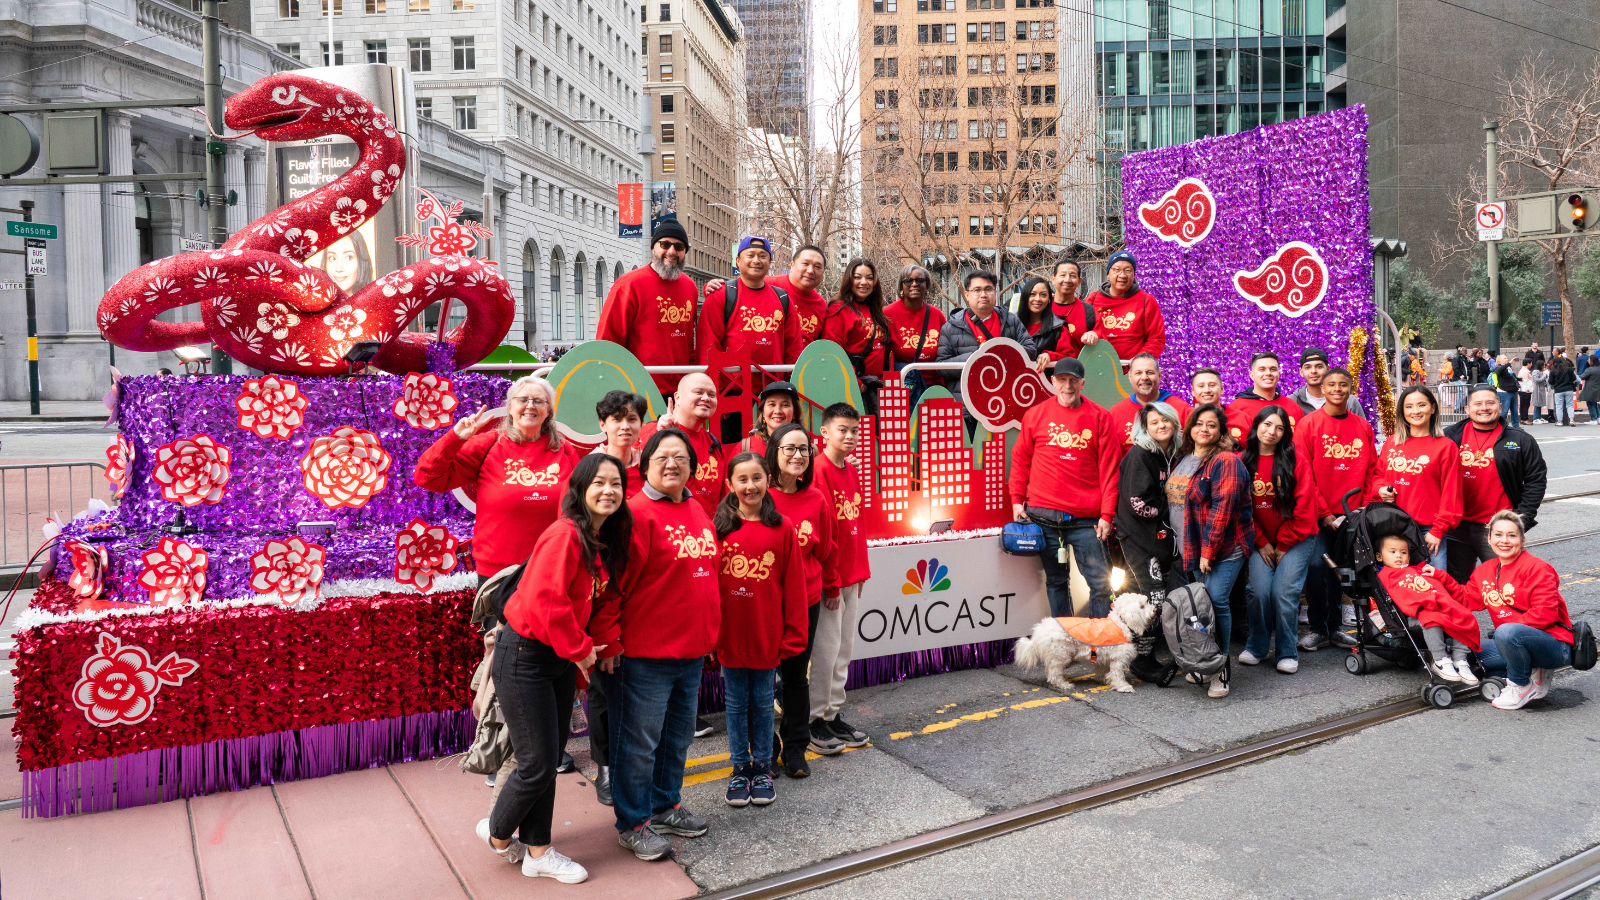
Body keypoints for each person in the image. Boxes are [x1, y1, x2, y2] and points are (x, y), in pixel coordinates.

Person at [479, 453, 630, 884]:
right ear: (579, 490)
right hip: (526, 654)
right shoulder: (564, 535)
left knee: (546, 759)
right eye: (598, 482)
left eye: (616, 484)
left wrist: (606, 645)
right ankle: (496, 833)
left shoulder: (603, 541)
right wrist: (582, 648)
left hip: (559, 659)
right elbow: (548, 601)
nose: (608, 491)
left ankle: (539, 851)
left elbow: (603, 601)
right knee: (538, 763)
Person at [596, 429, 722, 860]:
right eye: (663, 457)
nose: (673, 464)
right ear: (645, 464)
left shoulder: (697, 508)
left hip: (690, 651)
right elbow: (611, 587)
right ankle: (633, 822)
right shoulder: (634, 515)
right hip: (644, 654)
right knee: (638, 743)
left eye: (681, 458)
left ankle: (665, 805)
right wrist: (609, 641)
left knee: (677, 737)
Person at [415, 375, 578, 586]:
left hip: (552, 567)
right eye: (522, 400)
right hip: (498, 573)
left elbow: (580, 507)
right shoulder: (487, 445)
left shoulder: (565, 450)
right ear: (510, 408)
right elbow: (427, 477)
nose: (530, 406)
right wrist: (456, 437)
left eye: (538, 401)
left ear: (548, 411)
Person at [712, 452, 808, 808]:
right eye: (742, 479)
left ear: (768, 480)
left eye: (757, 478)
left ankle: (763, 767)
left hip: (767, 631)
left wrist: (794, 633)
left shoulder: (782, 528)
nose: (750, 486)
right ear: (730, 484)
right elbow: (706, 586)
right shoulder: (718, 528)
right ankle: (740, 767)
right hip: (730, 633)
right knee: (735, 703)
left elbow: (795, 587)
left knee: (764, 703)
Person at [1009, 356, 1119, 619]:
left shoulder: (1100, 417)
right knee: (1056, 582)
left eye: (1073, 381)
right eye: (1062, 380)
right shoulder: (1035, 415)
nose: (1067, 386)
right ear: (1052, 381)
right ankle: (1065, 640)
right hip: (1042, 516)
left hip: (1086, 521)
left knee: (1101, 585)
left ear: (1082, 383)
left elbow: (1110, 470)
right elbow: (1020, 459)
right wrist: (1016, 499)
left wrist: (1107, 515)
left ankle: (1097, 647)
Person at [764, 422, 839, 774]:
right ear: (774, 452)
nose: (798, 455)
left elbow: (826, 548)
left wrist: (833, 585)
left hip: (804, 600)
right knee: (763, 679)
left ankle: (794, 748)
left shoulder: (816, 499)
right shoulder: (757, 495)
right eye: (789, 448)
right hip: (762, 602)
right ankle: (766, 747)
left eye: (804, 449)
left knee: (795, 677)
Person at [1171, 403, 1251, 698]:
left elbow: (1223, 508)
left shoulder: (1225, 460)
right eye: (1198, 423)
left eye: (1211, 425)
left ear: (1221, 432)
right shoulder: (1186, 458)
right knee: (1198, 606)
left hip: (1224, 546)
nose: (1203, 429)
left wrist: (1208, 551)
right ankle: (1204, 661)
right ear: (1190, 428)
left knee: (1216, 602)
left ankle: (1220, 669)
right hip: (1191, 545)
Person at [1294, 367, 1372, 651]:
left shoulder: (1362, 426)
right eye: (1332, 385)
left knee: (1343, 570)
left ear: (1350, 389)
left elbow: (1372, 470)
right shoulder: (1308, 425)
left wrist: (1363, 508)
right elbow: (1303, 474)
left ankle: (1335, 628)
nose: (1337, 389)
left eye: (1343, 385)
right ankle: (1317, 628)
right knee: (1316, 567)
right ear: (1322, 389)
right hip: (1318, 515)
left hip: (1353, 515)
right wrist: (1324, 513)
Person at [809, 403, 872, 752]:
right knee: (826, 650)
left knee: (844, 649)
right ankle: (814, 718)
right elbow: (825, 532)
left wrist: (860, 569)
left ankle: (832, 713)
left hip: (851, 574)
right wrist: (831, 580)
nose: (849, 436)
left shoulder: (850, 469)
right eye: (842, 430)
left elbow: (855, 524)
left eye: (853, 430)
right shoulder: (819, 470)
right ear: (824, 432)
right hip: (830, 579)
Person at [1240, 406, 1319, 674]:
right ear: (1256, 426)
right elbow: (1240, 509)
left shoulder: (1296, 460)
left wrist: (1284, 543)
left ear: (1286, 433)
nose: (1271, 432)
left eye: (1279, 427)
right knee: (1259, 592)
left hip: (1296, 538)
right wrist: (1261, 542)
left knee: (1284, 592)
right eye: (1266, 424)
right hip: (1259, 540)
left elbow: (1306, 508)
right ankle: (1257, 646)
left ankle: (1287, 651)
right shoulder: (1242, 461)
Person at [1443, 385, 1547, 583]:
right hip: (1456, 528)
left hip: (1499, 529)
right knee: (1456, 589)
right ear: (1467, 409)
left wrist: (1521, 520)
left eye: (1490, 403)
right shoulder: (1450, 437)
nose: (1484, 408)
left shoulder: (1520, 440)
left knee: (1508, 587)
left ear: (1500, 407)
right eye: (1478, 404)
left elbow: (1536, 480)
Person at [1471, 511, 1574, 710]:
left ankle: (1520, 684)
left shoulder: (1537, 568)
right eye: (1498, 535)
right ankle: (1532, 670)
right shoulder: (1485, 570)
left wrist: (1508, 632)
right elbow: (1466, 598)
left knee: (1507, 632)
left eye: (1512, 535)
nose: (1504, 541)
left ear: (1522, 539)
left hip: (1554, 645)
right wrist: (1437, 580)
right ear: (1489, 538)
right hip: (1514, 641)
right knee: (1471, 655)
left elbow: (1546, 613)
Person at [1115, 401, 1186, 682]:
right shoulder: (1140, 454)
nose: (1161, 426)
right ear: (1145, 427)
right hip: (1139, 541)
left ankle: (1137, 657)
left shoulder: (1169, 454)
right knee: (1151, 600)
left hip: (1159, 542)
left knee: (1154, 599)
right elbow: (1137, 503)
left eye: (1165, 421)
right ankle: (1141, 661)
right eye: (1154, 422)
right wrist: (1168, 509)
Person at [596, 221, 699, 395]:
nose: (672, 251)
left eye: (679, 246)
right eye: (665, 244)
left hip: (680, 393)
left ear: (684, 252)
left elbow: (689, 343)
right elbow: (607, 340)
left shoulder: (690, 287)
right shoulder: (628, 284)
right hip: (638, 392)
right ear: (653, 248)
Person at [1370, 386, 1462, 569]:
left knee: (1432, 586)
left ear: (1433, 408)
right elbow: (1378, 476)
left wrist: (1438, 530)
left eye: (1421, 405)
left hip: (1428, 531)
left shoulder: (1446, 447)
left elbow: (1452, 494)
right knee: (1396, 587)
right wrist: (1380, 489)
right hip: (1392, 527)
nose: (1416, 411)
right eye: (1409, 406)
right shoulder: (1392, 442)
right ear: (1402, 411)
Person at [1374, 535, 1481, 686]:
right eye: (1392, 552)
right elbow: (1403, 594)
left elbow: (1435, 586)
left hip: (1437, 605)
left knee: (1462, 614)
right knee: (1431, 619)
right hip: (1416, 613)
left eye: (1403, 552)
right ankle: (1440, 659)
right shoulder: (1385, 574)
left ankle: (1460, 659)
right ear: (1379, 556)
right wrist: (1426, 601)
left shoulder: (1417, 569)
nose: (1399, 555)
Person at [936, 269, 1037, 409]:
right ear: (967, 295)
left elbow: (1031, 350)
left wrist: (1000, 353)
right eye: (977, 290)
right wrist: (976, 358)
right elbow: (941, 367)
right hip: (967, 404)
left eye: (988, 289)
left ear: (995, 293)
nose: (983, 294)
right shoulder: (951, 327)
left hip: (1006, 401)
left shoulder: (1011, 320)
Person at [698, 235, 804, 368]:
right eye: (750, 255)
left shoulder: (783, 298)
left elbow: (794, 350)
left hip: (774, 386)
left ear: (770, 262)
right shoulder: (721, 295)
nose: (756, 260)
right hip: (731, 387)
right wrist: (712, 388)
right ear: (738, 261)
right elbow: (707, 349)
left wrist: (790, 387)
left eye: (762, 256)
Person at [637, 372, 724, 519]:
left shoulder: (714, 443)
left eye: (712, 395)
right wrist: (658, 436)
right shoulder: (652, 431)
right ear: (677, 397)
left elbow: (722, 500)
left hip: (704, 533)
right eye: (698, 392)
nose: (705, 398)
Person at [824, 258, 895, 387]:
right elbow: (832, 352)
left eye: (869, 278)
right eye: (857, 277)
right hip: (854, 386)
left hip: (876, 385)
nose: (864, 282)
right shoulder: (839, 309)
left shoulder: (874, 308)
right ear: (849, 280)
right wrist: (855, 383)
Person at [883, 264, 948, 404]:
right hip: (903, 390)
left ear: (927, 286)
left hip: (934, 388)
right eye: (908, 281)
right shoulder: (887, 315)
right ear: (901, 287)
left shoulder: (937, 315)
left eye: (920, 280)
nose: (914, 284)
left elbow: (947, 352)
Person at [1085, 249, 1165, 361]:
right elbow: (1081, 331)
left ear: (1134, 274)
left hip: (1132, 371)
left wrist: (1140, 360)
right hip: (1099, 367)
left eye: (1128, 270)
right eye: (1117, 270)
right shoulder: (1092, 299)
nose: (1122, 275)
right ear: (1108, 273)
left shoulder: (1146, 301)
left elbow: (1156, 339)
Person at [1109, 353, 1192, 452]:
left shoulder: (1182, 409)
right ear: (1130, 378)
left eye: (1150, 372)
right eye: (1138, 373)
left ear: (1159, 375)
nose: (1144, 377)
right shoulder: (1115, 413)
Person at [1030, 259, 1101, 368]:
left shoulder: (1089, 312)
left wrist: (1095, 335)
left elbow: (1103, 339)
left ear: (1079, 281)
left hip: (1078, 377)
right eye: (1062, 275)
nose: (1067, 280)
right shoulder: (1040, 307)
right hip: (1043, 377)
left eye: (1072, 276)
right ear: (1053, 279)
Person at [1224, 351, 1305, 443]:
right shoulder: (1236, 408)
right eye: (1262, 369)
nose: (1268, 373)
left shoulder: (1293, 406)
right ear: (1252, 375)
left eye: (1273, 369)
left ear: (1278, 374)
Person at [593, 390, 648, 492]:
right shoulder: (589, 468)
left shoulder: (649, 467)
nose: (625, 427)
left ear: (641, 424)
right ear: (602, 425)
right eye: (617, 419)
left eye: (631, 419)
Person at [1290, 347, 1366, 419]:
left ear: (1328, 369)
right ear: (1301, 372)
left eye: (1319, 366)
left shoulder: (1348, 400)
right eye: (1308, 367)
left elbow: (1363, 429)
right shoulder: (1292, 401)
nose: (1313, 371)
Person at [734, 381, 800, 457]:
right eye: (772, 404)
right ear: (763, 412)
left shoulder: (805, 449)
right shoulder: (745, 448)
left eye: (785, 405)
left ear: (794, 413)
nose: (777, 411)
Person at [1550, 347, 1578, 426]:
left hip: (1558, 390)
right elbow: (1574, 378)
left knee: (1559, 406)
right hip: (1568, 389)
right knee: (1570, 405)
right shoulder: (1568, 369)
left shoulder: (1553, 371)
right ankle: (1571, 420)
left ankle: (1560, 421)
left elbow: (1550, 381)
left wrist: (1553, 386)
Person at [1491, 355, 1520, 428]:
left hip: (1513, 390)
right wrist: (1509, 363)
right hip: (1504, 392)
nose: (1507, 359)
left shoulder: (1509, 368)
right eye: (1505, 358)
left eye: (1507, 358)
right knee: (1504, 410)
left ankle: (1516, 425)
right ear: (1500, 361)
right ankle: (1500, 426)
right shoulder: (1498, 368)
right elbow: (1499, 371)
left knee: (1514, 410)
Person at [1580, 351, 1600, 424]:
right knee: (1595, 403)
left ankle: (1593, 419)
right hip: (1598, 388)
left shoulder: (1590, 370)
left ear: (1592, 361)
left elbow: (1582, 377)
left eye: (1589, 359)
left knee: (1590, 404)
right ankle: (1598, 418)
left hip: (1590, 389)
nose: (1588, 360)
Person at [1518, 360, 1535, 424]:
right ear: (1528, 363)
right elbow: (1526, 382)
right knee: (1525, 405)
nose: (1531, 364)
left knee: (1523, 404)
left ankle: (1523, 418)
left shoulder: (1522, 370)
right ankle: (1525, 419)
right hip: (1525, 390)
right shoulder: (1526, 372)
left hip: (1522, 390)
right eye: (1531, 363)